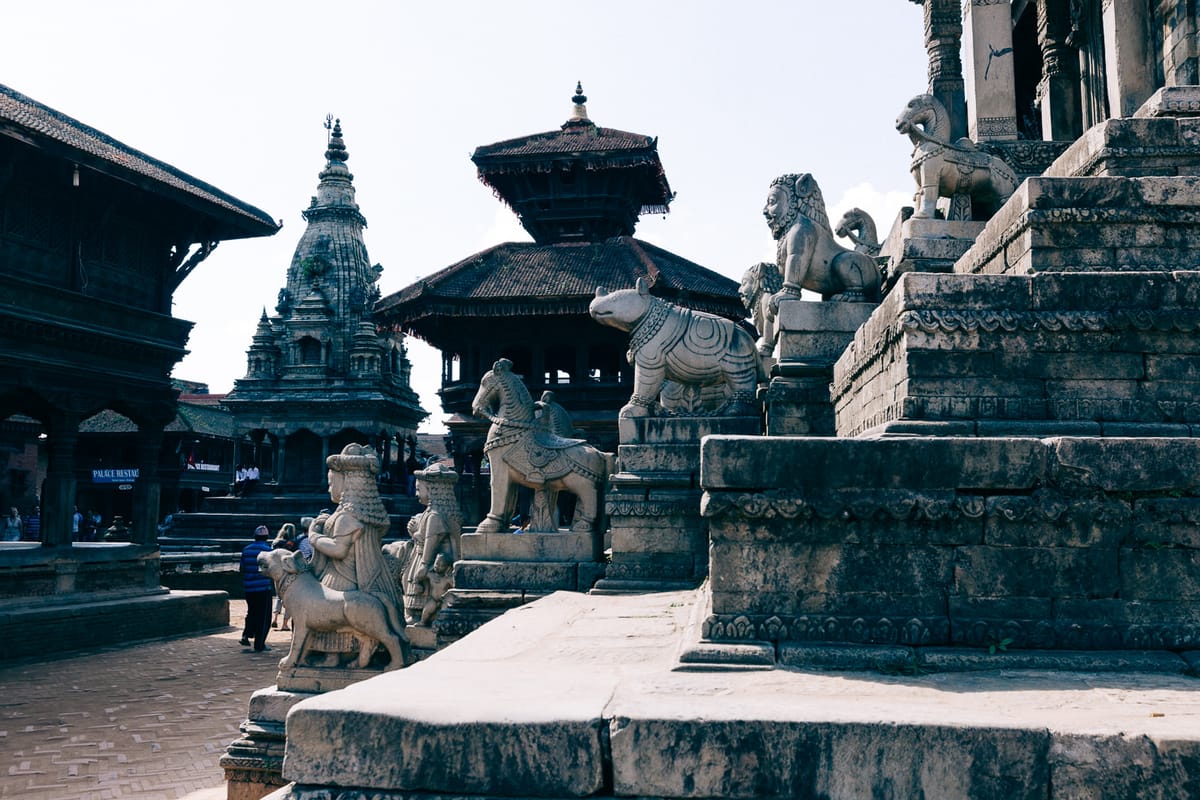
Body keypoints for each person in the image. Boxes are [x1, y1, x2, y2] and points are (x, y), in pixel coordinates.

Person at [309, 444, 405, 662]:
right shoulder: (360, 515)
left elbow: (339, 550)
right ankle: (335, 656)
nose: (328, 488)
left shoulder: (346, 517)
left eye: (331, 483)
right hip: (353, 577)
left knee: (330, 617)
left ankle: (335, 656)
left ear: (347, 482)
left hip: (342, 579)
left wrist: (313, 537)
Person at [239, 525, 274, 652]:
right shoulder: (268, 551)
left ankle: (246, 634)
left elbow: (242, 569)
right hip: (263, 587)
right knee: (263, 617)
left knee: (252, 612)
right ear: (266, 537)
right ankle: (259, 644)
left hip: (249, 587)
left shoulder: (246, 550)